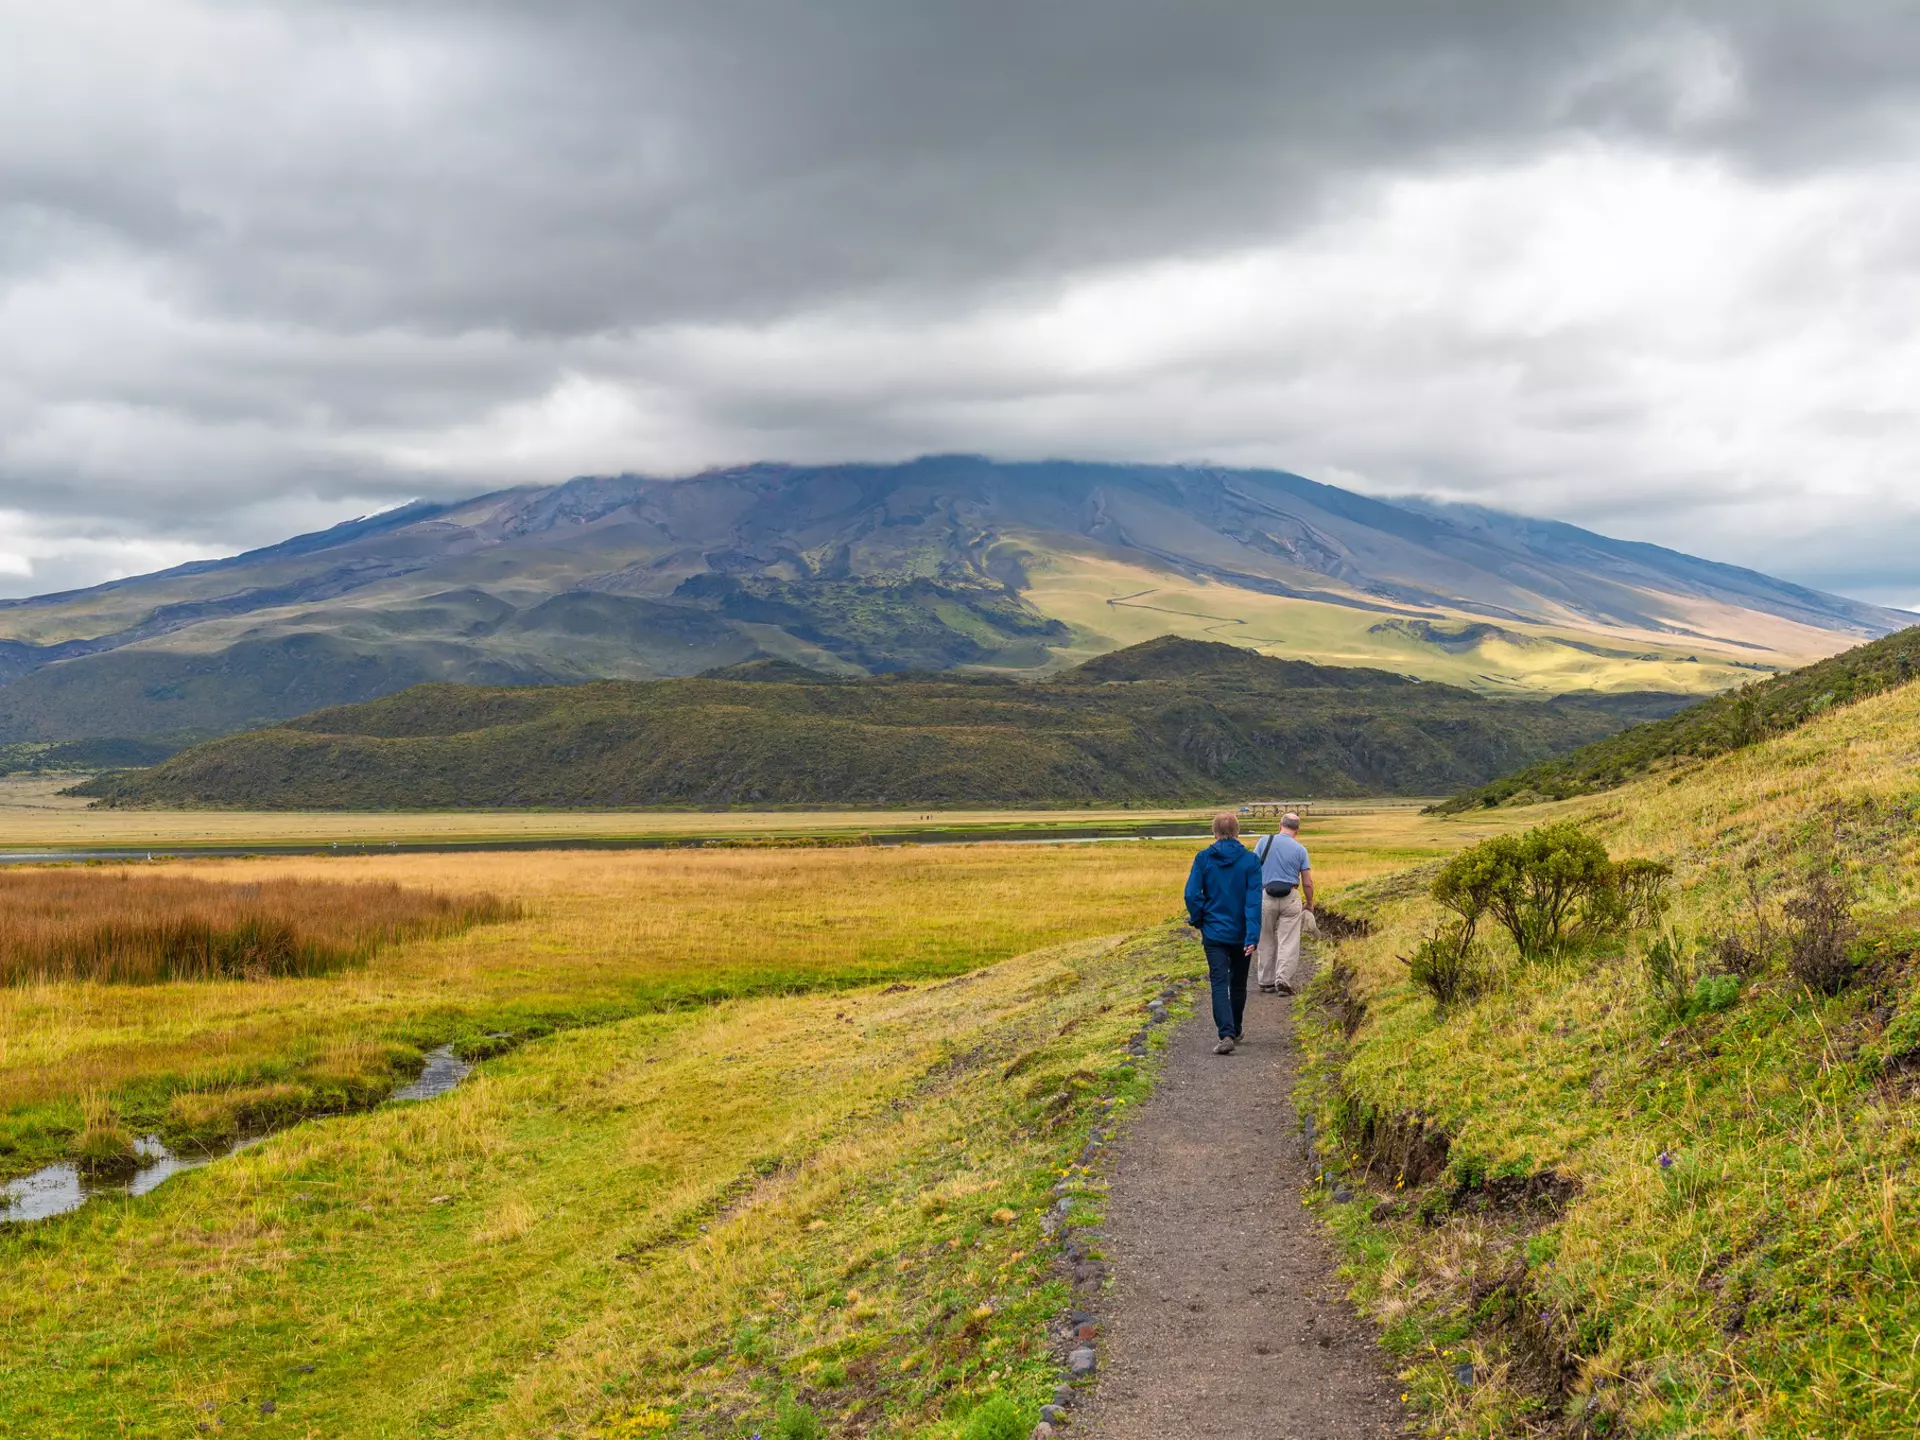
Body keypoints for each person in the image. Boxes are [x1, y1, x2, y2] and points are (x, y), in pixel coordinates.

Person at [1183, 811, 1262, 1055]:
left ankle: (1226, 1033)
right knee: (1238, 983)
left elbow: (1191, 894)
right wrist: (1252, 935)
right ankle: (1236, 1029)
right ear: (1237, 832)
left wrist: (1199, 919)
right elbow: (1253, 901)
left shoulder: (1203, 858)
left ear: (1214, 832)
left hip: (1214, 932)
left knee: (1218, 982)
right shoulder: (1251, 861)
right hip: (1241, 932)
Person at [1253, 812, 1314, 995]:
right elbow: (1307, 882)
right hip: (1290, 896)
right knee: (1289, 940)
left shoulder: (1264, 842)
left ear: (1280, 825)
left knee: (1265, 938)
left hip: (1266, 895)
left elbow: (1252, 869)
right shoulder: (1300, 849)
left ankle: (1266, 981)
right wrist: (1309, 903)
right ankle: (1283, 980)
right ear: (1298, 830)